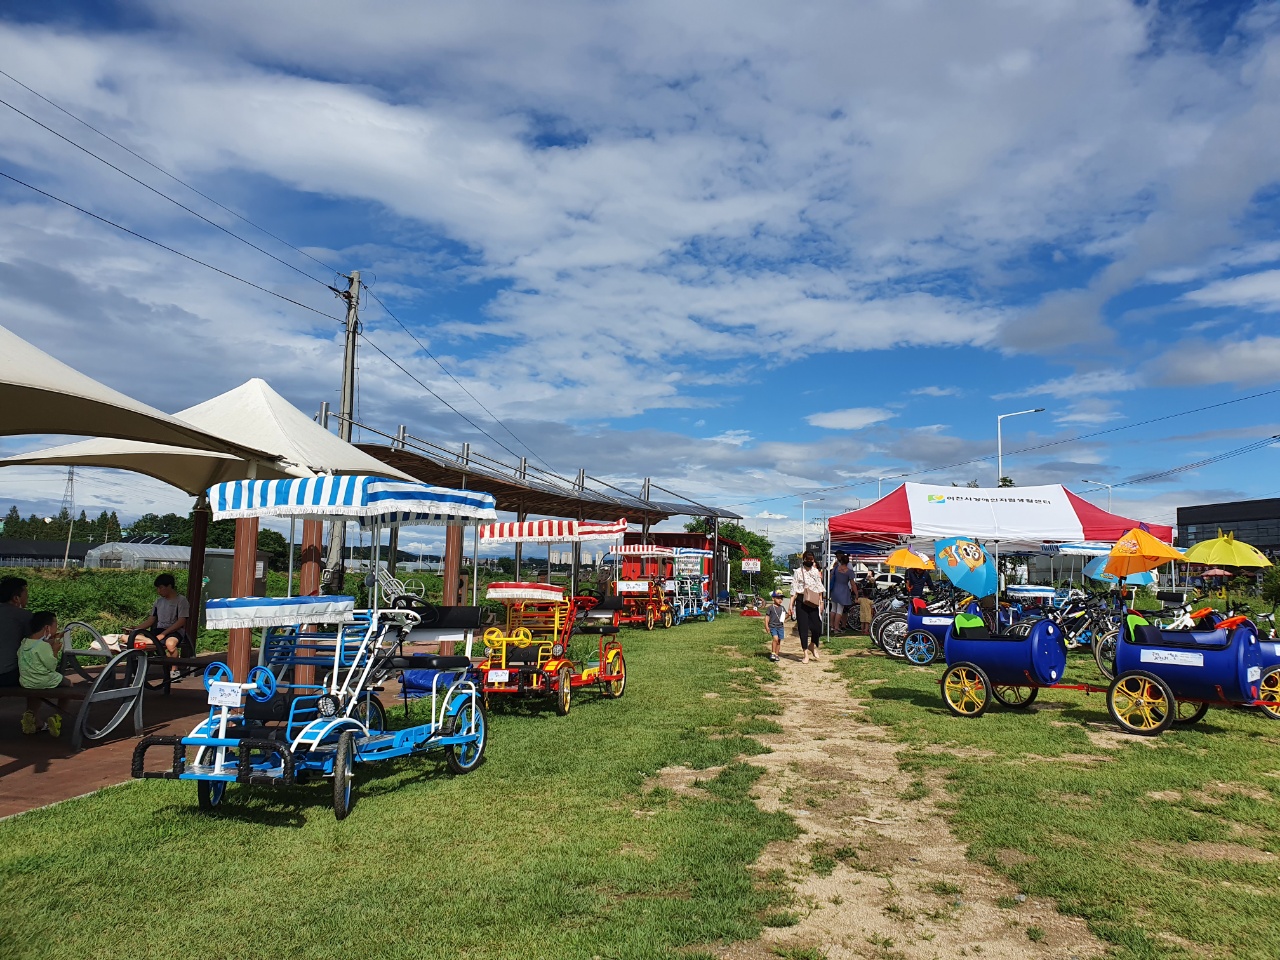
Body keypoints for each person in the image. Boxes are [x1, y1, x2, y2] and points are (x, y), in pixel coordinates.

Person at [129, 574, 190, 681]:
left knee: (170, 645)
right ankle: (136, 668)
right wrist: (136, 628)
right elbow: (151, 620)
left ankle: (174, 670)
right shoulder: (158, 601)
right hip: (159, 630)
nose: (158, 591)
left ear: (169, 586)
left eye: (161, 587)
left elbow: (181, 621)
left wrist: (164, 634)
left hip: (175, 630)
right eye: (157, 588)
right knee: (129, 638)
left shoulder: (181, 600)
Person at [19, 611, 69, 736]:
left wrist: (55, 638)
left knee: (36, 690)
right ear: (47, 628)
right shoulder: (44, 647)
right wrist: (55, 651)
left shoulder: (24, 642)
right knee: (68, 685)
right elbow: (51, 666)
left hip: (26, 681)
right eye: (55, 626)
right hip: (44, 680)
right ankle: (57, 717)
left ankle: (30, 716)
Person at [789, 551, 826, 663]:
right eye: (808, 560)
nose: (810, 562)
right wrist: (791, 604)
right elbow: (794, 589)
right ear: (803, 559)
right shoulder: (798, 572)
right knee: (803, 628)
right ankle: (805, 653)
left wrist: (821, 602)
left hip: (813, 600)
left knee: (817, 626)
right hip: (801, 600)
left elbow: (819, 587)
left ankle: (812, 645)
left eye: (812, 560)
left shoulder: (815, 571)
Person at [0, 576, 32, 688]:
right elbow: (35, 643)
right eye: (26, 595)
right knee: (39, 674)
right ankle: (31, 707)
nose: (27, 598)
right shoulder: (24, 616)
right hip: (6, 675)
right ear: (16, 598)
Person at [830, 552, 854, 633]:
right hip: (843, 590)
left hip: (834, 589)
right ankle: (837, 627)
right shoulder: (849, 571)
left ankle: (831, 626)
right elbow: (852, 583)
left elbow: (830, 576)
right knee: (839, 610)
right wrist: (856, 593)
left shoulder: (836, 567)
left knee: (833, 609)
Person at [763, 590, 787, 662]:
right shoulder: (770, 608)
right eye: (778, 598)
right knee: (775, 639)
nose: (780, 600)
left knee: (779, 641)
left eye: (781, 598)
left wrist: (789, 615)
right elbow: (767, 618)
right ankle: (773, 653)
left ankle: (776, 654)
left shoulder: (782, 608)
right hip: (772, 626)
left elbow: (783, 618)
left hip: (780, 627)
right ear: (773, 598)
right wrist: (766, 626)